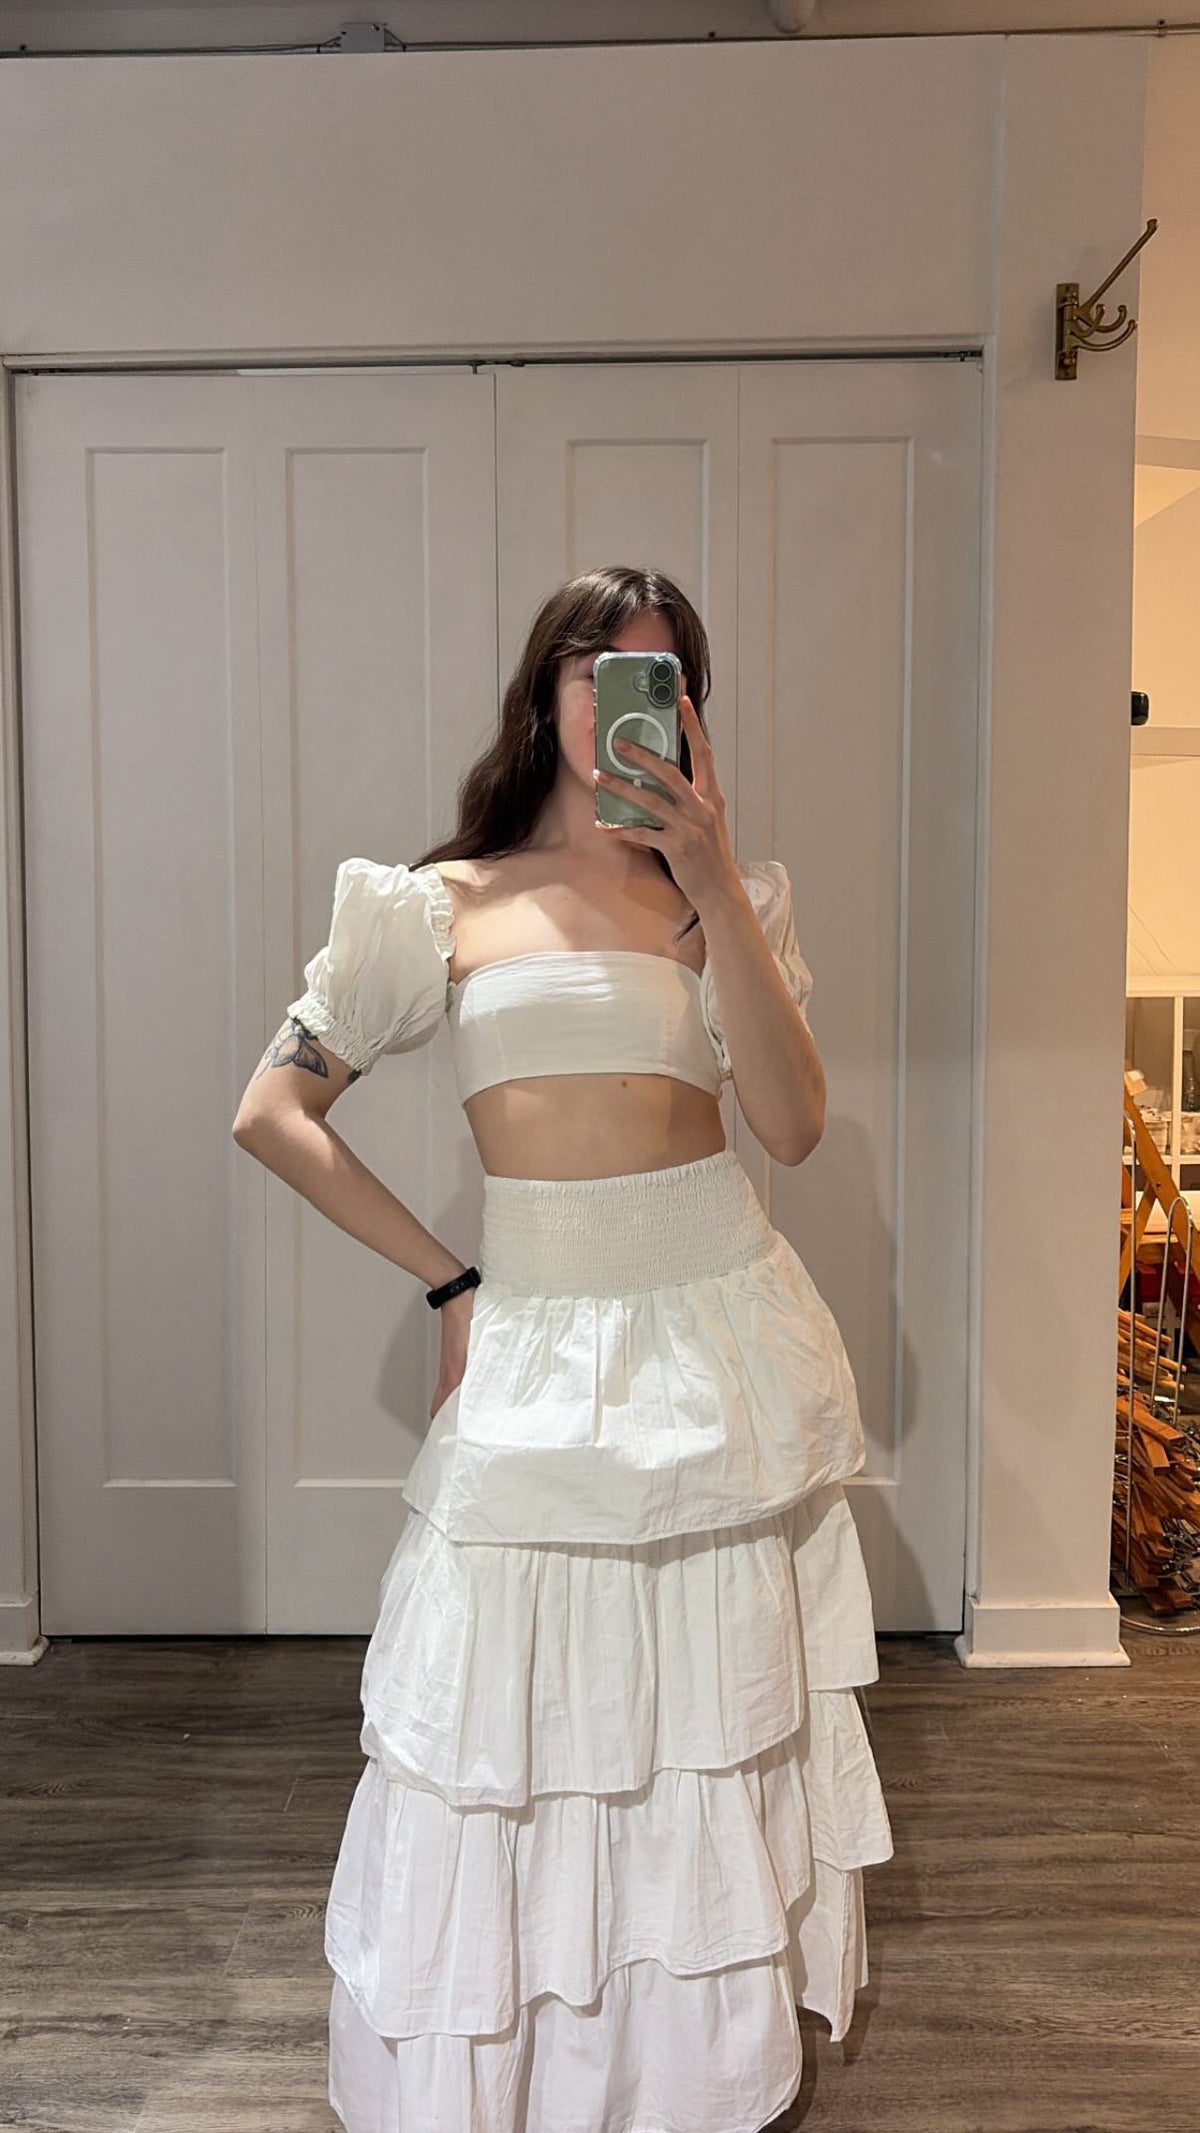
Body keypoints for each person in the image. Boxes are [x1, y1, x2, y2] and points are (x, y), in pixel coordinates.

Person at [232, 564, 893, 2133]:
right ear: (549, 688)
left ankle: (691, 2074)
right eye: (604, 667)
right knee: (505, 1724)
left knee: (703, 1717)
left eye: (668, 677)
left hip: (715, 1329)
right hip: (537, 1341)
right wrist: (449, 1284)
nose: (630, 700)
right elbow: (272, 1110)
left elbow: (793, 1124)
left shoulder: (728, 899)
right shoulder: (444, 904)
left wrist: (712, 876)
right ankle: (521, 2070)